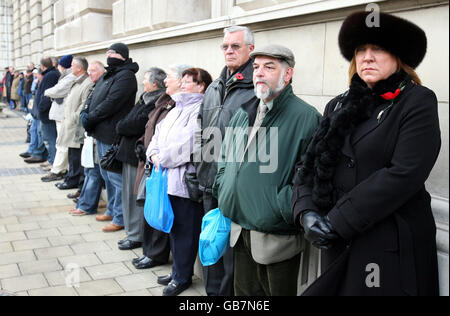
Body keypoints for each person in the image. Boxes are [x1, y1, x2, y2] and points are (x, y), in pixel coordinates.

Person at [292, 11, 441, 296]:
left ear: (398, 57)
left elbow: (404, 173)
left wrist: (338, 220)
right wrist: (306, 211)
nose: (367, 57)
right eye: (361, 50)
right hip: (337, 242)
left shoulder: (417, 101)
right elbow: (307, 164)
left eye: (378, 49)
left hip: (387, 244)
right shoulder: (338, 105)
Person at [213, 45, 321, 296]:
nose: (259, 73)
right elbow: (225, 157)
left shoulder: (307, 117)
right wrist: (223, 186)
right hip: (239, 226)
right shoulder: (244, 113)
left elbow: (312, 176)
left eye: (269, 67)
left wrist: (280, 206)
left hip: (275, 233)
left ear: (288, 74)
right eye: (256, 67)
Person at [194, 25, 256, 296]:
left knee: (232, 254)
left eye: (236, 46)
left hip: (235, 186)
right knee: (210, 245)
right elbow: (201, 130)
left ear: (250, 49)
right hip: (209, 181)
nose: (229, 51)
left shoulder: (257, 86)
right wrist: (198, 167)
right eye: (225, 46)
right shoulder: (215, 86)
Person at [148, 67, 213, 296]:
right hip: (166, 177)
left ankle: (182, 277)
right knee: (174, 229)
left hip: (184, 182)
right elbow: (157, 135)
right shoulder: (175, 107)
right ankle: (177, 271)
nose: (183, 84)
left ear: (201, 85)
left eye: (189, 81)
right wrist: (153, 154)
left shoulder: (200, 109)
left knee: (186, 230)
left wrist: (161, 158)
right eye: (182, 80)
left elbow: (189, 145)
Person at [130, 64, 190, 269]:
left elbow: (181, 142)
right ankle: (150, 252)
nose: (165, 81)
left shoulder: (179, 104)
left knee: (161, 211)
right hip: (153, 161)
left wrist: (158, 156)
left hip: (165, 167)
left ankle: (156, 254)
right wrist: (143, 144)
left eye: (170, 77)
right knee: (151, 207)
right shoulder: (166, 101)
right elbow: (154, 128)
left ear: (182, 81)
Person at [80, 43, 139, 233]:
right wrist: (86, 113)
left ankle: (120, 217)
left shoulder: (126, 76)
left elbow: (112, 103)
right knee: (106, 174)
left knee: (115, 177)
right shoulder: (110, 73)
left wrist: (91, 117)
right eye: (107, 52)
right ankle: (112, 210)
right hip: (100, 132)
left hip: (112, 134)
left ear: (122, 55)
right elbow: (95, 95)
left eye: (112, 52)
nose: (109, 55)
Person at [114, 67, 167, 251]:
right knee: (128, 196)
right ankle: (131, 232)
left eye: (145, 79)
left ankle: (136, 235)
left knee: (136, 197)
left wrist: (122, 126)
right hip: (129, 154)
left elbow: (134, 124)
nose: (142, 82)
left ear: (154, 83)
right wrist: (122, 125)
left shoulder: (156, 102)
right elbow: (126, 121)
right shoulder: (144, 98)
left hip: (139, 157)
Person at [70, 61, 106, 216]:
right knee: (89, 169)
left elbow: (94, 111)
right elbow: (85, 109)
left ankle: (87, 205)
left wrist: (86, 117)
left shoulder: (102, 85)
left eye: (93, 71)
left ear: (101, 71)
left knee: (93, 172)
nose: (90, 73)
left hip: (98, 134)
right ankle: (83, 203)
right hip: (89, 134)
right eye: (89, 71)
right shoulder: (94, 86)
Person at [41, 54, 76, 183]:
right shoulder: (66, 75)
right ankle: (60, 169)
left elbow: (56, 91)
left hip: (63, 115)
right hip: (61, 114)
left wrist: (48, 93)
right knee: (60, 143)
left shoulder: (69, 76)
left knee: (62, 143)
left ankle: (57, 170)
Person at [32, 57, 61, 167]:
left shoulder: (51, 75)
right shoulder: (50, 74)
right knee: (47, 139)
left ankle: (53, 162)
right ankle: (51, 160)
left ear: (43, 66)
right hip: (46, 113)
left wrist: (41, 108)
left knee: (50, 140)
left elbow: (47, 95)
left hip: (47, 114)